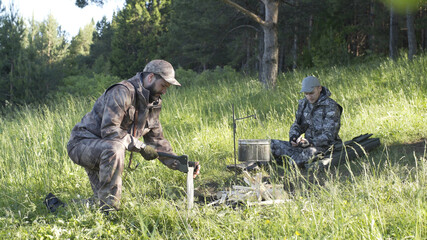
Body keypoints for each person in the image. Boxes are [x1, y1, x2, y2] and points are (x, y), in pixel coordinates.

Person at [67, 59, 200, 212]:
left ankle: (61, 206)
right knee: (115, 150)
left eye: (167, 88)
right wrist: (141, 146)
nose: (164, 91)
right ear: (150, 77)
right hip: (82, 144)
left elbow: (157, 141)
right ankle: (110, 216)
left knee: (100, 200)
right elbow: (110, 131)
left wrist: (183, 164)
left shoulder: (153, 103)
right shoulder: (122, 92)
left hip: (105, 150)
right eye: (163, 85)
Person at [271, 76, 343, 167]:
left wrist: (310, 142)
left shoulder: (331, 107)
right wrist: (293, 137)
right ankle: (281, 161)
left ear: (319, 88)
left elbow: (329, 135)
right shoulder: (304, 104)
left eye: (311, 93)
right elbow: (297, 125)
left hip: (324, 147)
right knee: (270, 145)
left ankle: (285, 162)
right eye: (306, 94)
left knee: (297, 159)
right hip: (304, 145)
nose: (309, 97)